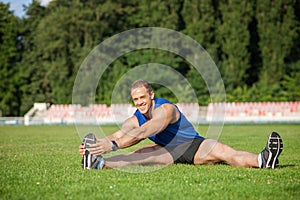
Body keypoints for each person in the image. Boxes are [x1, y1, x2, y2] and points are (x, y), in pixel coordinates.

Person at [79, 80, 283, 169]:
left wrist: (113, 145)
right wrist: (96, 145)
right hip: (167, 151)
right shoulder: (136, 116)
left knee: (225, 152)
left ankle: (262, 160)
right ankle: (97, 163)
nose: (140, 102)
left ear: (151, 95)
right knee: (136, 157)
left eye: (143, 97)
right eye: (136, 99)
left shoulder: (166, 109)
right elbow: (120, 132)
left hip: (193, 146)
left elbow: (146, 130)